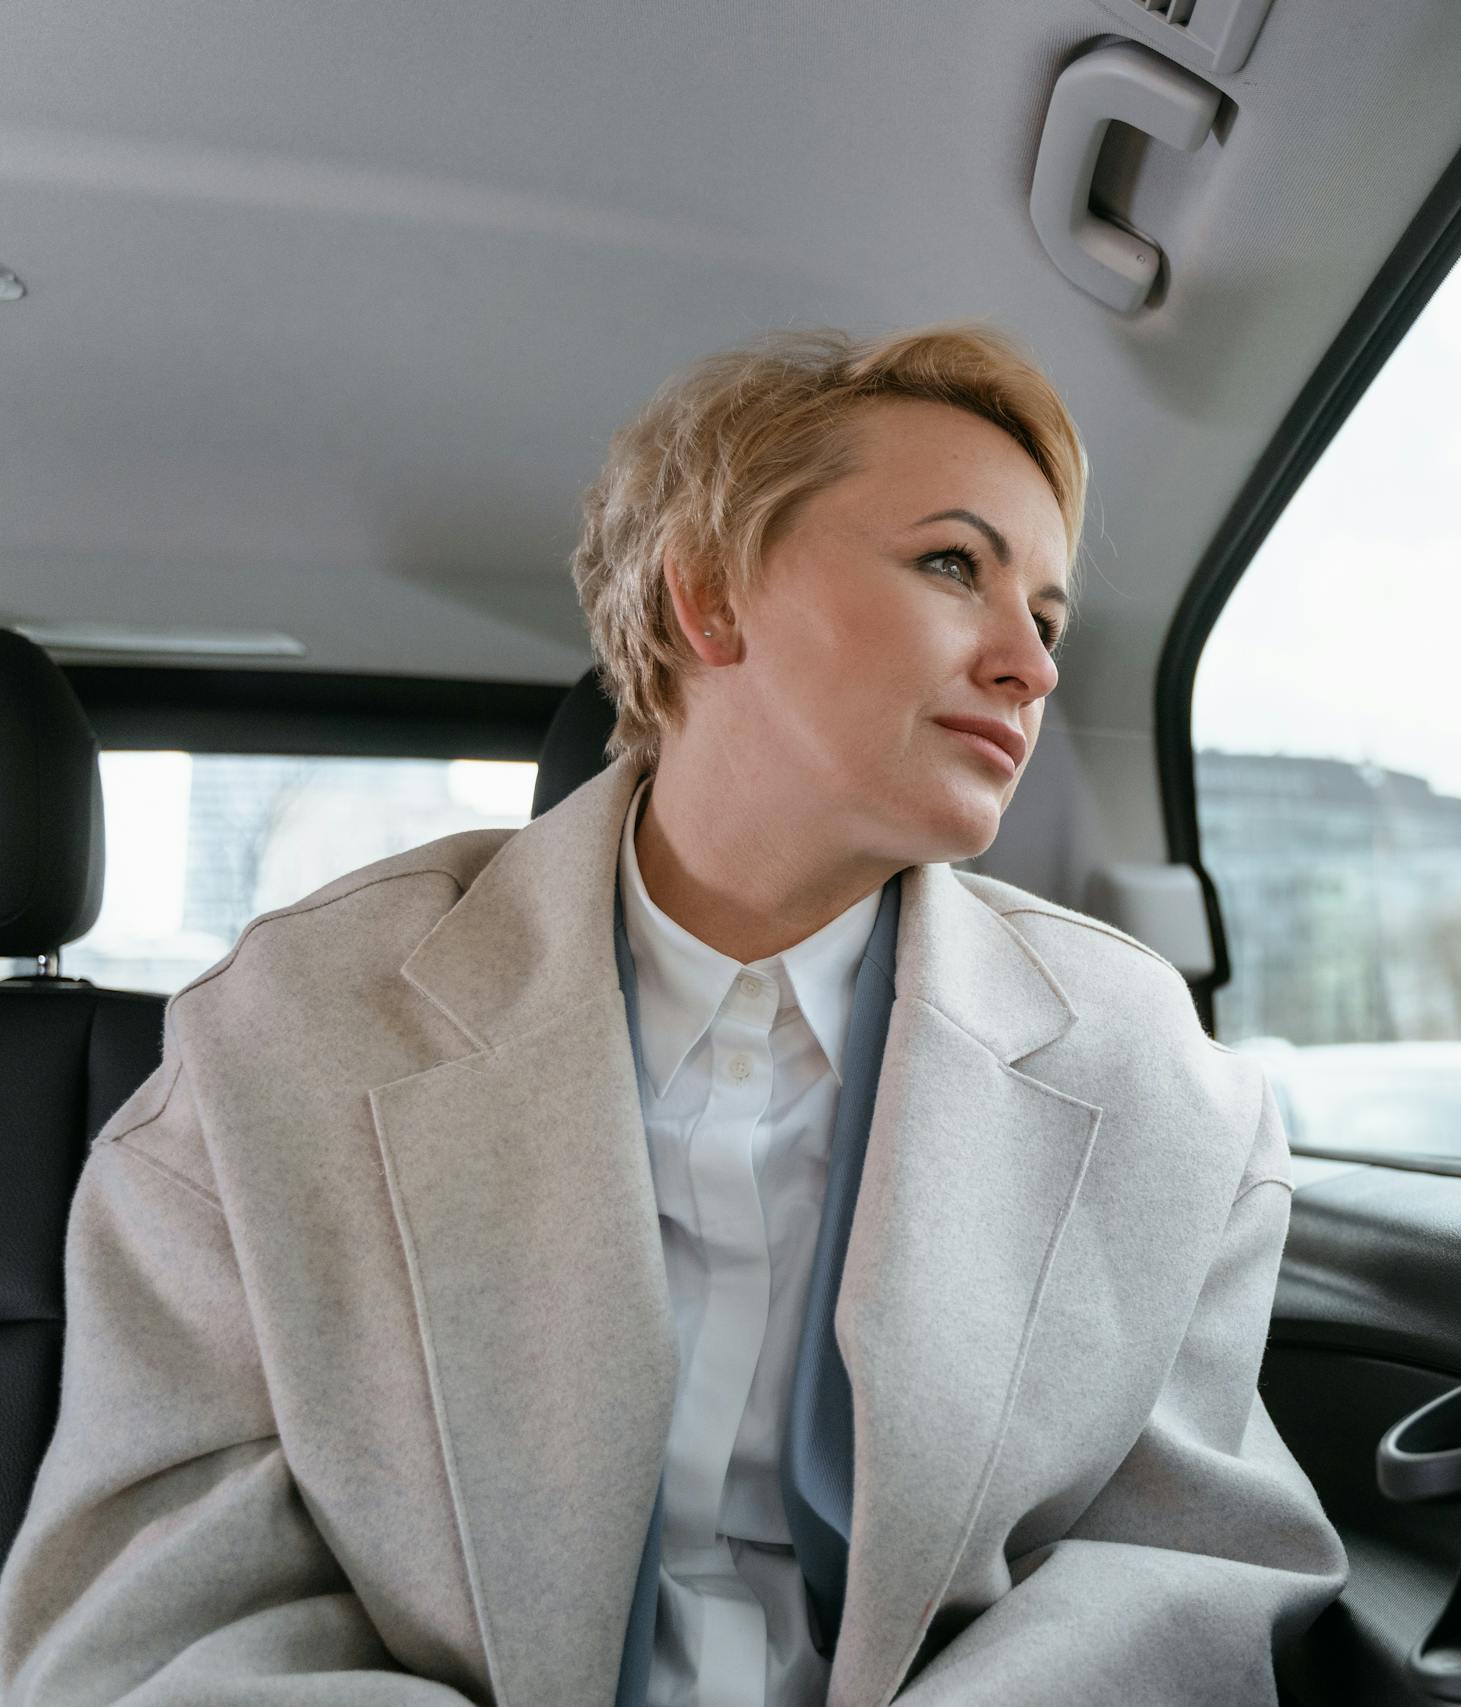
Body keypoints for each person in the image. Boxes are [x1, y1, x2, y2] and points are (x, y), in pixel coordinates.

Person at [0, 326, 1347, 1706]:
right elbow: (156, 1623)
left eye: (1049, 617)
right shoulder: (279, 1041)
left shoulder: (1158, 1084)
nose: (1031, 665)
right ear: (709, 598)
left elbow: (1186, 1566)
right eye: (956, 565)